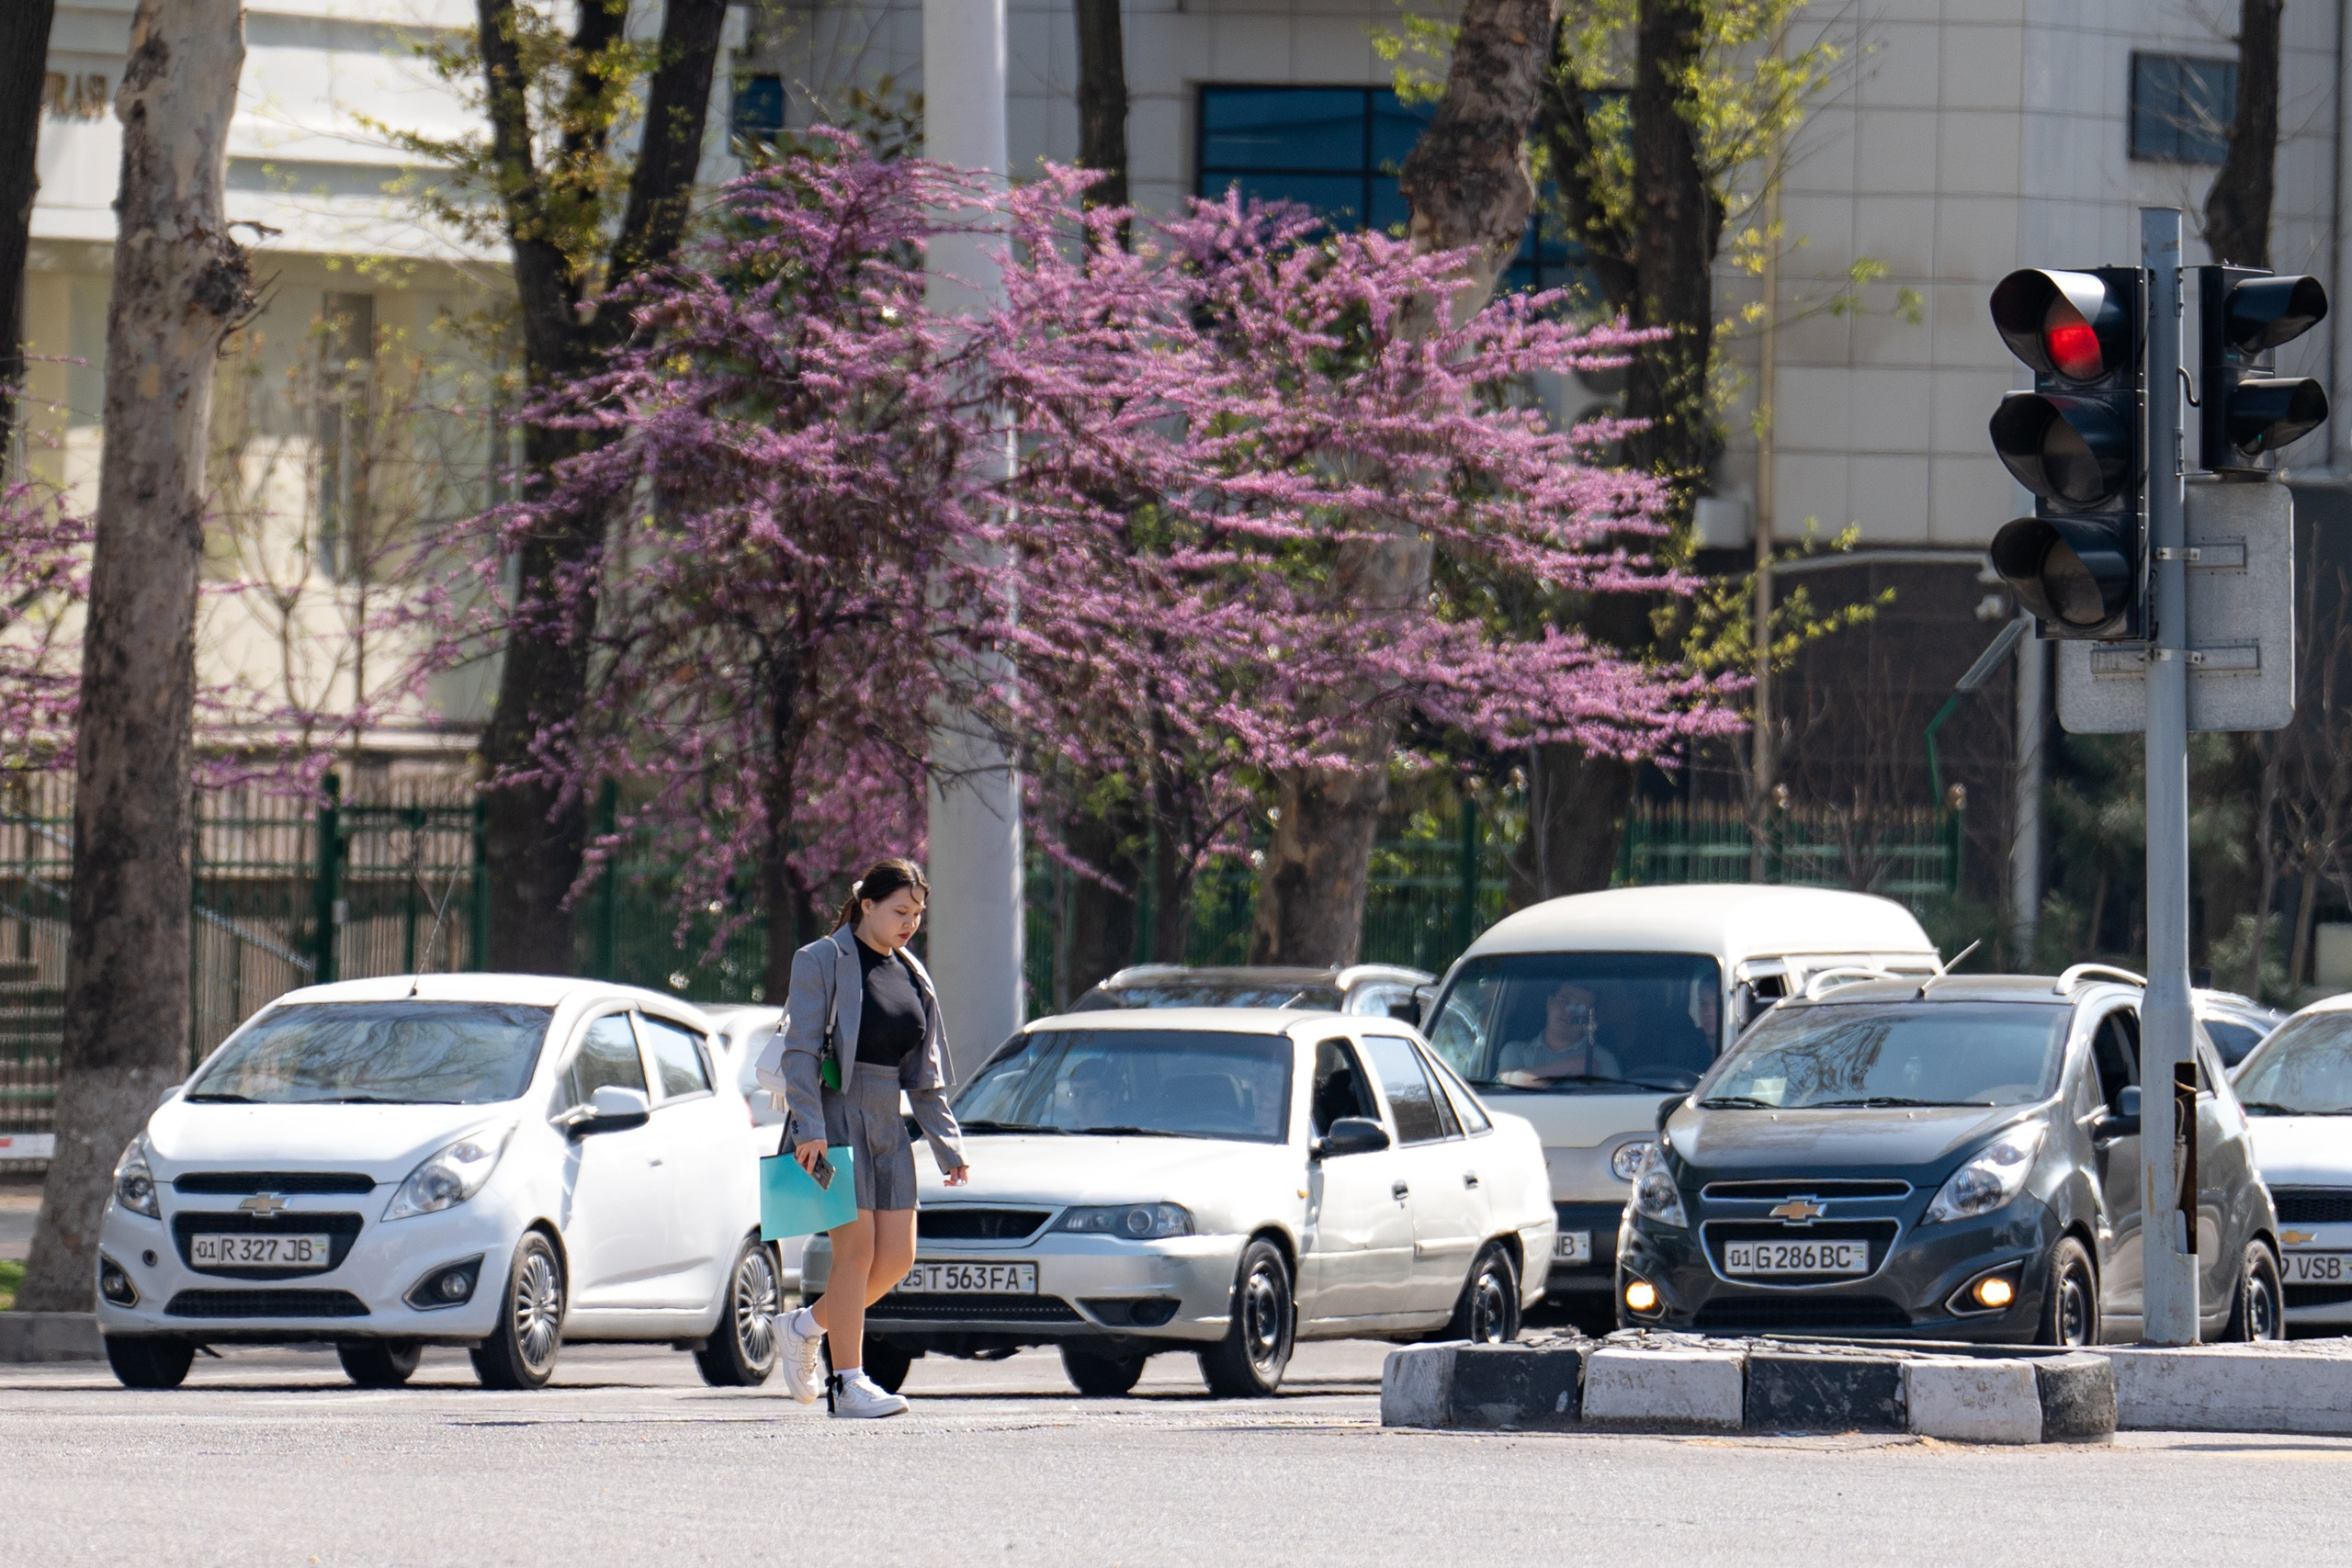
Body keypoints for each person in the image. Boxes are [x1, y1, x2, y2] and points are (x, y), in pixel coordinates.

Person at [761, 858, 968, 1418]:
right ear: (867, 904)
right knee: (855, 1251)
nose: (910, 923)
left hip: (888, 1125)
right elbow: (800, 1051)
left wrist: (949, 1146)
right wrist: (810, 1128)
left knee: (896, 1258)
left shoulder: (913, 973)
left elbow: (926, 1072)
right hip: (835, 1117)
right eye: (900, 910)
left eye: (918, 913)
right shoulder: (821, 959)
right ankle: (847, 1383)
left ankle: (802, 1326)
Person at [1496, 982, 1622, 1088]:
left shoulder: (1603, 1060)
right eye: (1564, 1000)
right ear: (1549, 1003)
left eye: (1580, 1008)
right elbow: (1502, 1084)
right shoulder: (1516, 1051)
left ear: (1590, 1017)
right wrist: (1572, 1067)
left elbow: (1614, 1108)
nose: (1568, 1011)